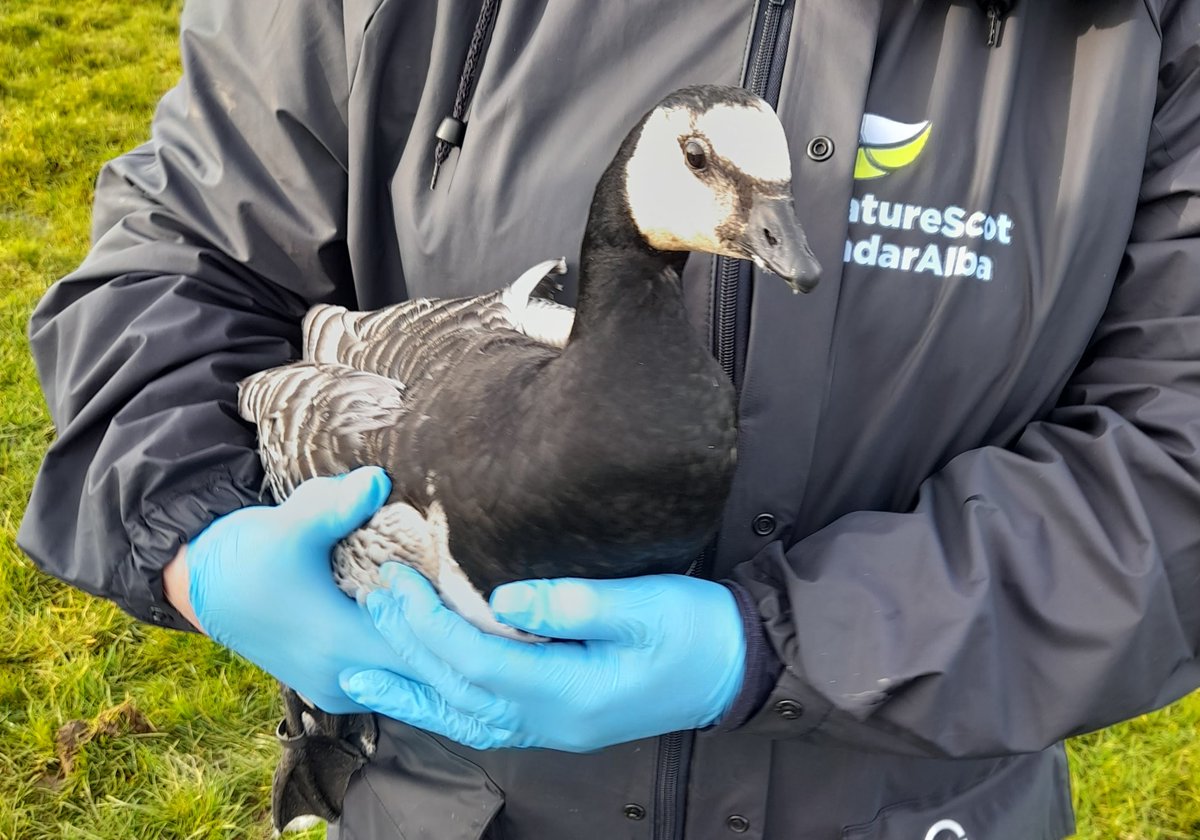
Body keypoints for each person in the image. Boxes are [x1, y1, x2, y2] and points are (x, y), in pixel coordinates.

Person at [18, 1, 1200, 837]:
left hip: (917, 809)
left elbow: (1176, 449)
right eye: (710, 172)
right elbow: (177, 266)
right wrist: (194, 539)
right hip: (446, 803)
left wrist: (784, 646)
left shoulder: (1134, 27)